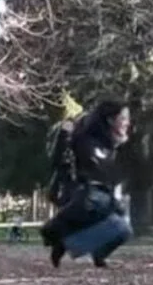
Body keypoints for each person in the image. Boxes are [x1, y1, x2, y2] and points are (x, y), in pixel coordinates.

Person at [40, 99, 134, 268]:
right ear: (110, 120)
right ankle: (54, 231)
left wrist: (117, 198)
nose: (127, 123)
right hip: (82, 195)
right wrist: (64, 135)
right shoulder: (85, 140)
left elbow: (111, 177)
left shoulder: (110, 146)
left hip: (99, 199)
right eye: (123, 118)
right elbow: (60, 160)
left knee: (123, 230)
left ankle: (91, 252)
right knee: (100, 202)